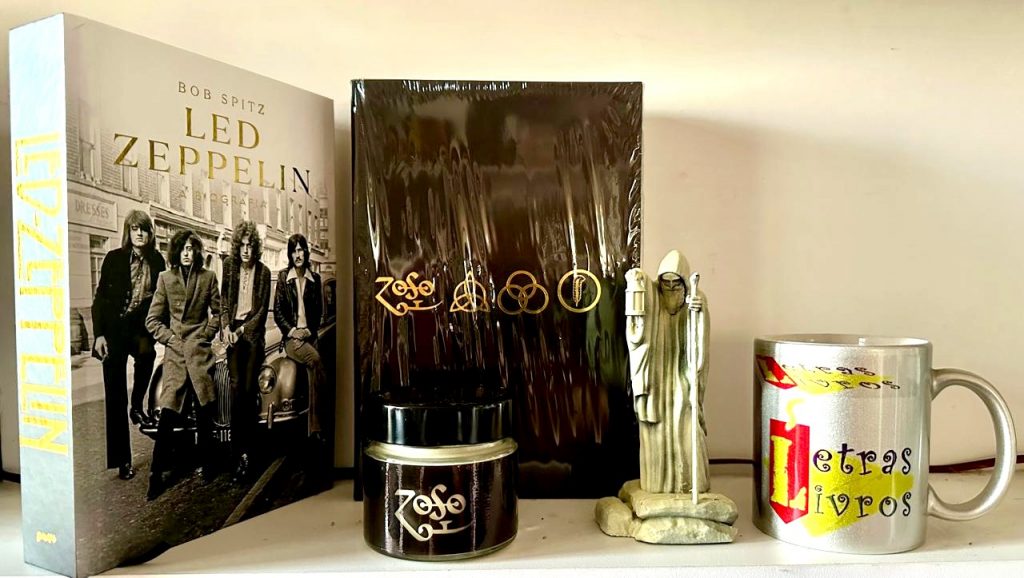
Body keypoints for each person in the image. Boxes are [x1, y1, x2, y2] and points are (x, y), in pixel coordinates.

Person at [624, 250, 710, 494]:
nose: (671, 289)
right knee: (656, 430)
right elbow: (636, 333)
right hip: (657, 380)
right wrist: (636, 281)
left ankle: (689, 484)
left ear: (684, 283)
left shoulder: (694, 299)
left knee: (686, 425)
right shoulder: (653, 299)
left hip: (682, 377)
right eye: (666, 283)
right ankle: (657, 485)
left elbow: (698, 352)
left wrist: (697, 315)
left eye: (676, 284)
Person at [145, 229, 221, 500]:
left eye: (191, 249)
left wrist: (205, 335)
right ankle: (156, 474)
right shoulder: (165, 279)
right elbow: (152, 320)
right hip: (176, 355)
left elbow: (218, 312)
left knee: (204, 409)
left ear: (197, 252)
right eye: (183, 249)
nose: (187, 254)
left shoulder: (208, 277)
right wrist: (171, 339)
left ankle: (209, 464)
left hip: (199, 352)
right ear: (176, 252)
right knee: (167, 414)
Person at [92, 210, 166, 481]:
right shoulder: (114, 258)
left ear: (150, 233)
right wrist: (99, 335)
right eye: (135, 229)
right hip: (113, 332)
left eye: (144, 229)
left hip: (139, 329)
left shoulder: (157, 261)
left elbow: (163, 298)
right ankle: (123, 461)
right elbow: (100, 299)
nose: (139, 233)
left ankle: (137, 405)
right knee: (115, 397)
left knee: (147, 355)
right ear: (128, 232)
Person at [219, 222, 271, 482]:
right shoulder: (229, 266)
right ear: (237, 246)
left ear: (255, 248)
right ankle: (237, 453)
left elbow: (261, 313)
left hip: (251, 337)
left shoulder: (264, 272)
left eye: (250, 246)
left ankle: (248, 454)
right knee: (235, 388)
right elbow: (223, 302)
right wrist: (226, 327)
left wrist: (240, 330)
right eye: (242, 245)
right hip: (233, 334)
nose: (246, 250)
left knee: (248, 390)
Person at [274, 233, 325, 440]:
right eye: (294, 251)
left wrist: (308, 331)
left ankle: (313, 426)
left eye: (300, 250)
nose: (297, 255)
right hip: (291, 339)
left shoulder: (315, 279)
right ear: (290, 254)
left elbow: (318, 312)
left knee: (314, 374)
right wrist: (293, 331)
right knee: (316, 361)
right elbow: (278, 312)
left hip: (309, 336)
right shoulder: (283, 278)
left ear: (306, 252)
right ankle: (317, 426)